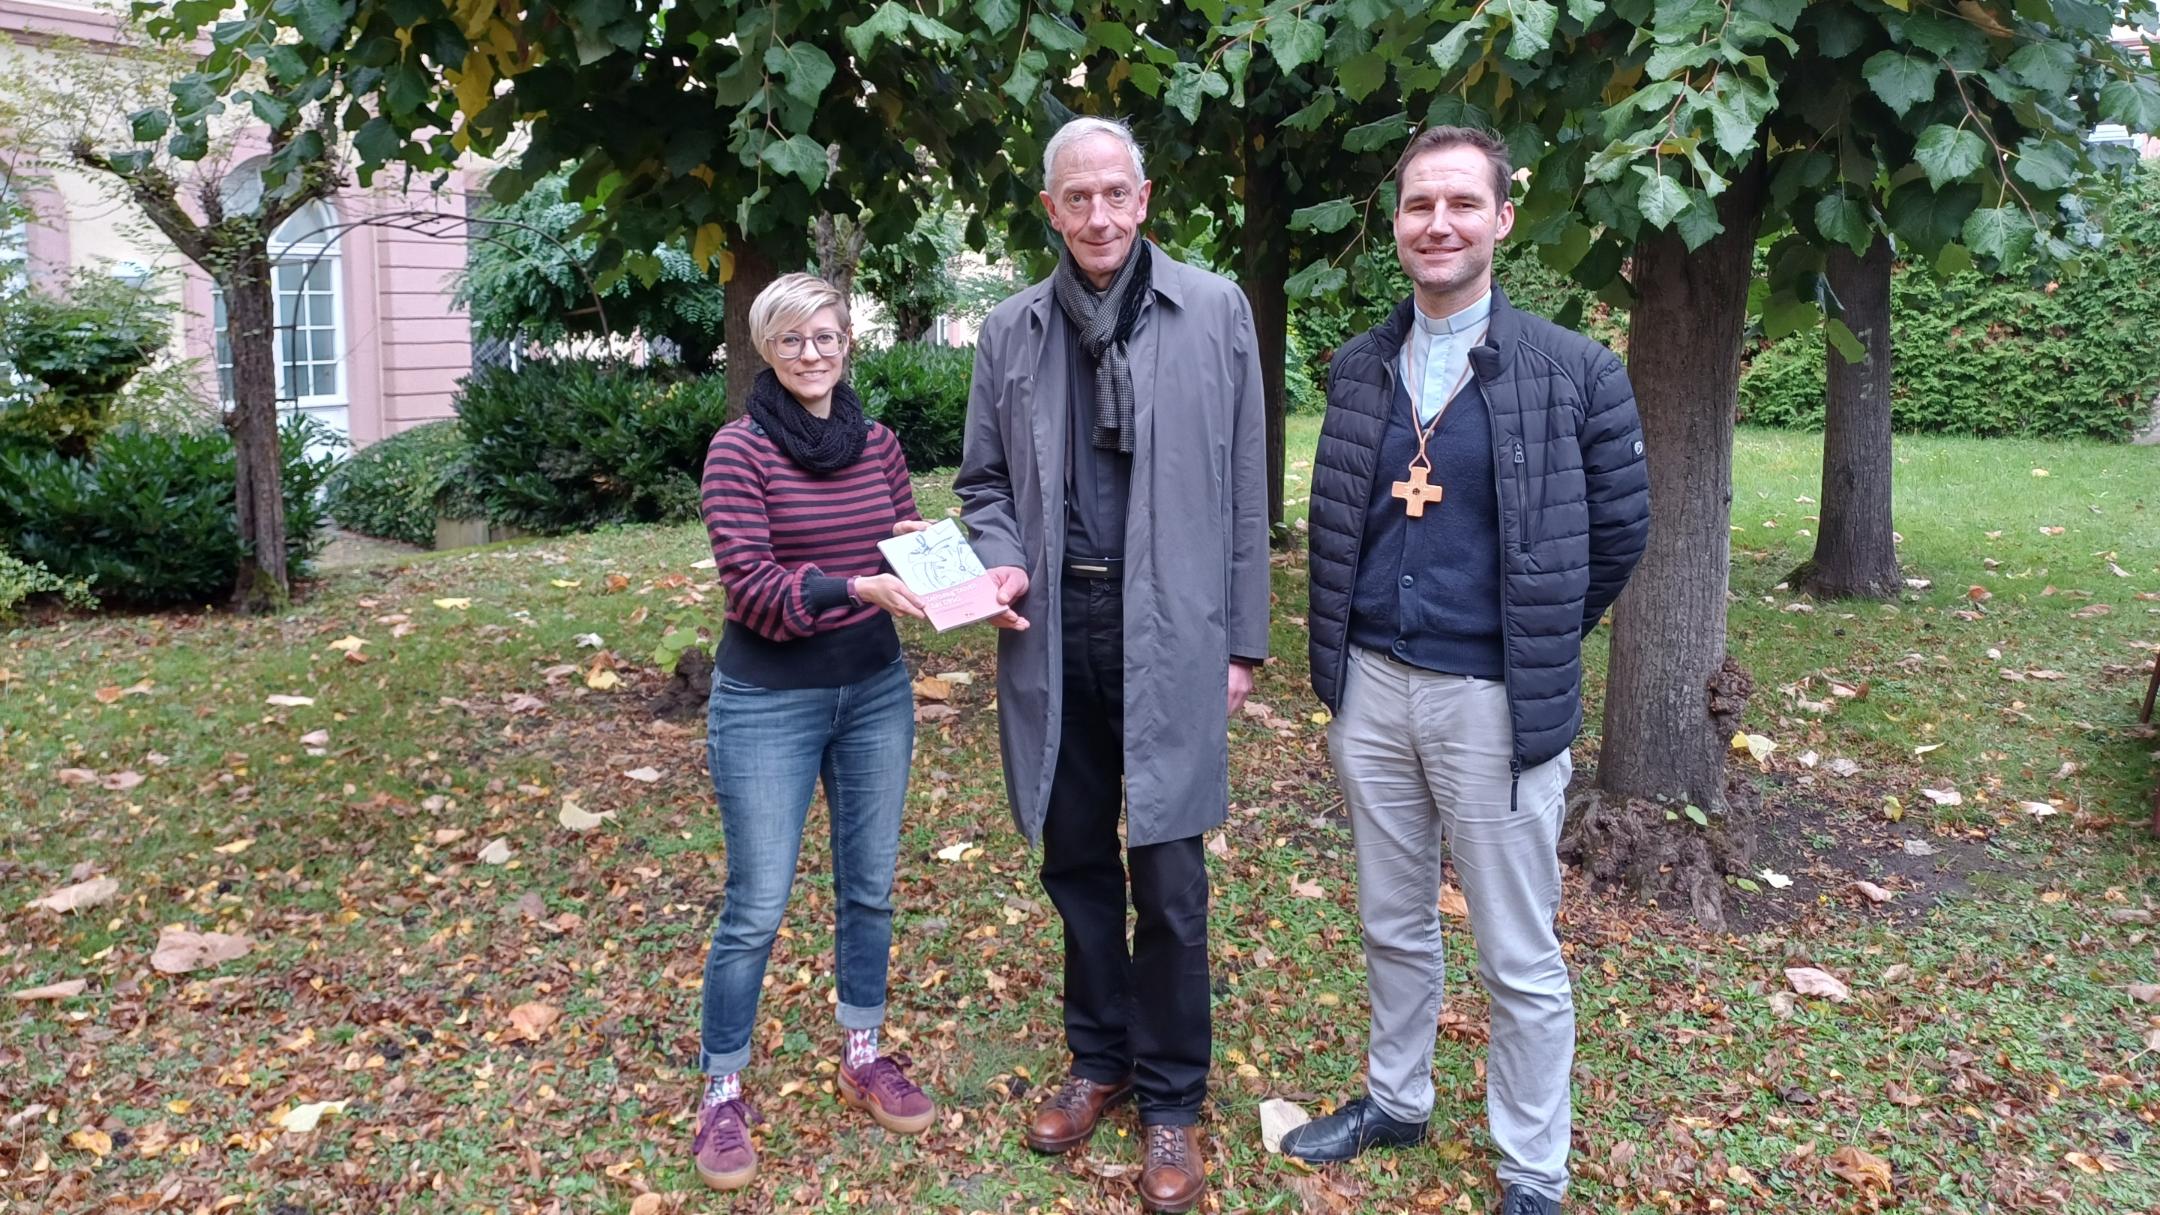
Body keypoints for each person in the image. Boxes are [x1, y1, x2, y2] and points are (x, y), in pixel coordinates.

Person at [1285, 126, 1650, 1215]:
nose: (1437, 224)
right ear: (1396, 224)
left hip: (1494, 700)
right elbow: (1339, 517)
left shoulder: (1576, 371)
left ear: (1501, 220)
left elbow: (1617, 536)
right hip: (1372, 688)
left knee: (1517, 952)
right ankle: (1397, 1099)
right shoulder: (1360, 366)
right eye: (1417, 205)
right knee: (1391, 919)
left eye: (1460, 204)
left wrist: (1531, 639)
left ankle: (1533, 1170)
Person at [954, 115, 1269, 1214]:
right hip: (1055, 628)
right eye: (1076, 197)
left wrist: (1242, 639)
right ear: (1051, 209)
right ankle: (1100, 1059)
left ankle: (1173, 1096)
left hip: (1172, 627)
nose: (1097, 215)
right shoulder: (1011, 330)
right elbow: (983, 485)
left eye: (1114, 194)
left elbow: (1245, 485)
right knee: (1076, 856)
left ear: (1144, 199)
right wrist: (998, 558)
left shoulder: (1214, 310)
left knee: (1170, 875)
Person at [690, 272, 936, 1191]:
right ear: (765, 348)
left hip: (874, 691)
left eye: (826, 335)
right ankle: (722, 1090)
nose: (811, 353)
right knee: (756, 905)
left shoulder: (879, 443)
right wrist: (856, 586)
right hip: (769, 701)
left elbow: (902, 541)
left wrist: (953, 574)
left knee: (869, 887)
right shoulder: (739, 450)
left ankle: (863, 1051)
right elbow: (751, 585)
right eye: (792, 338)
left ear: (846, 342)